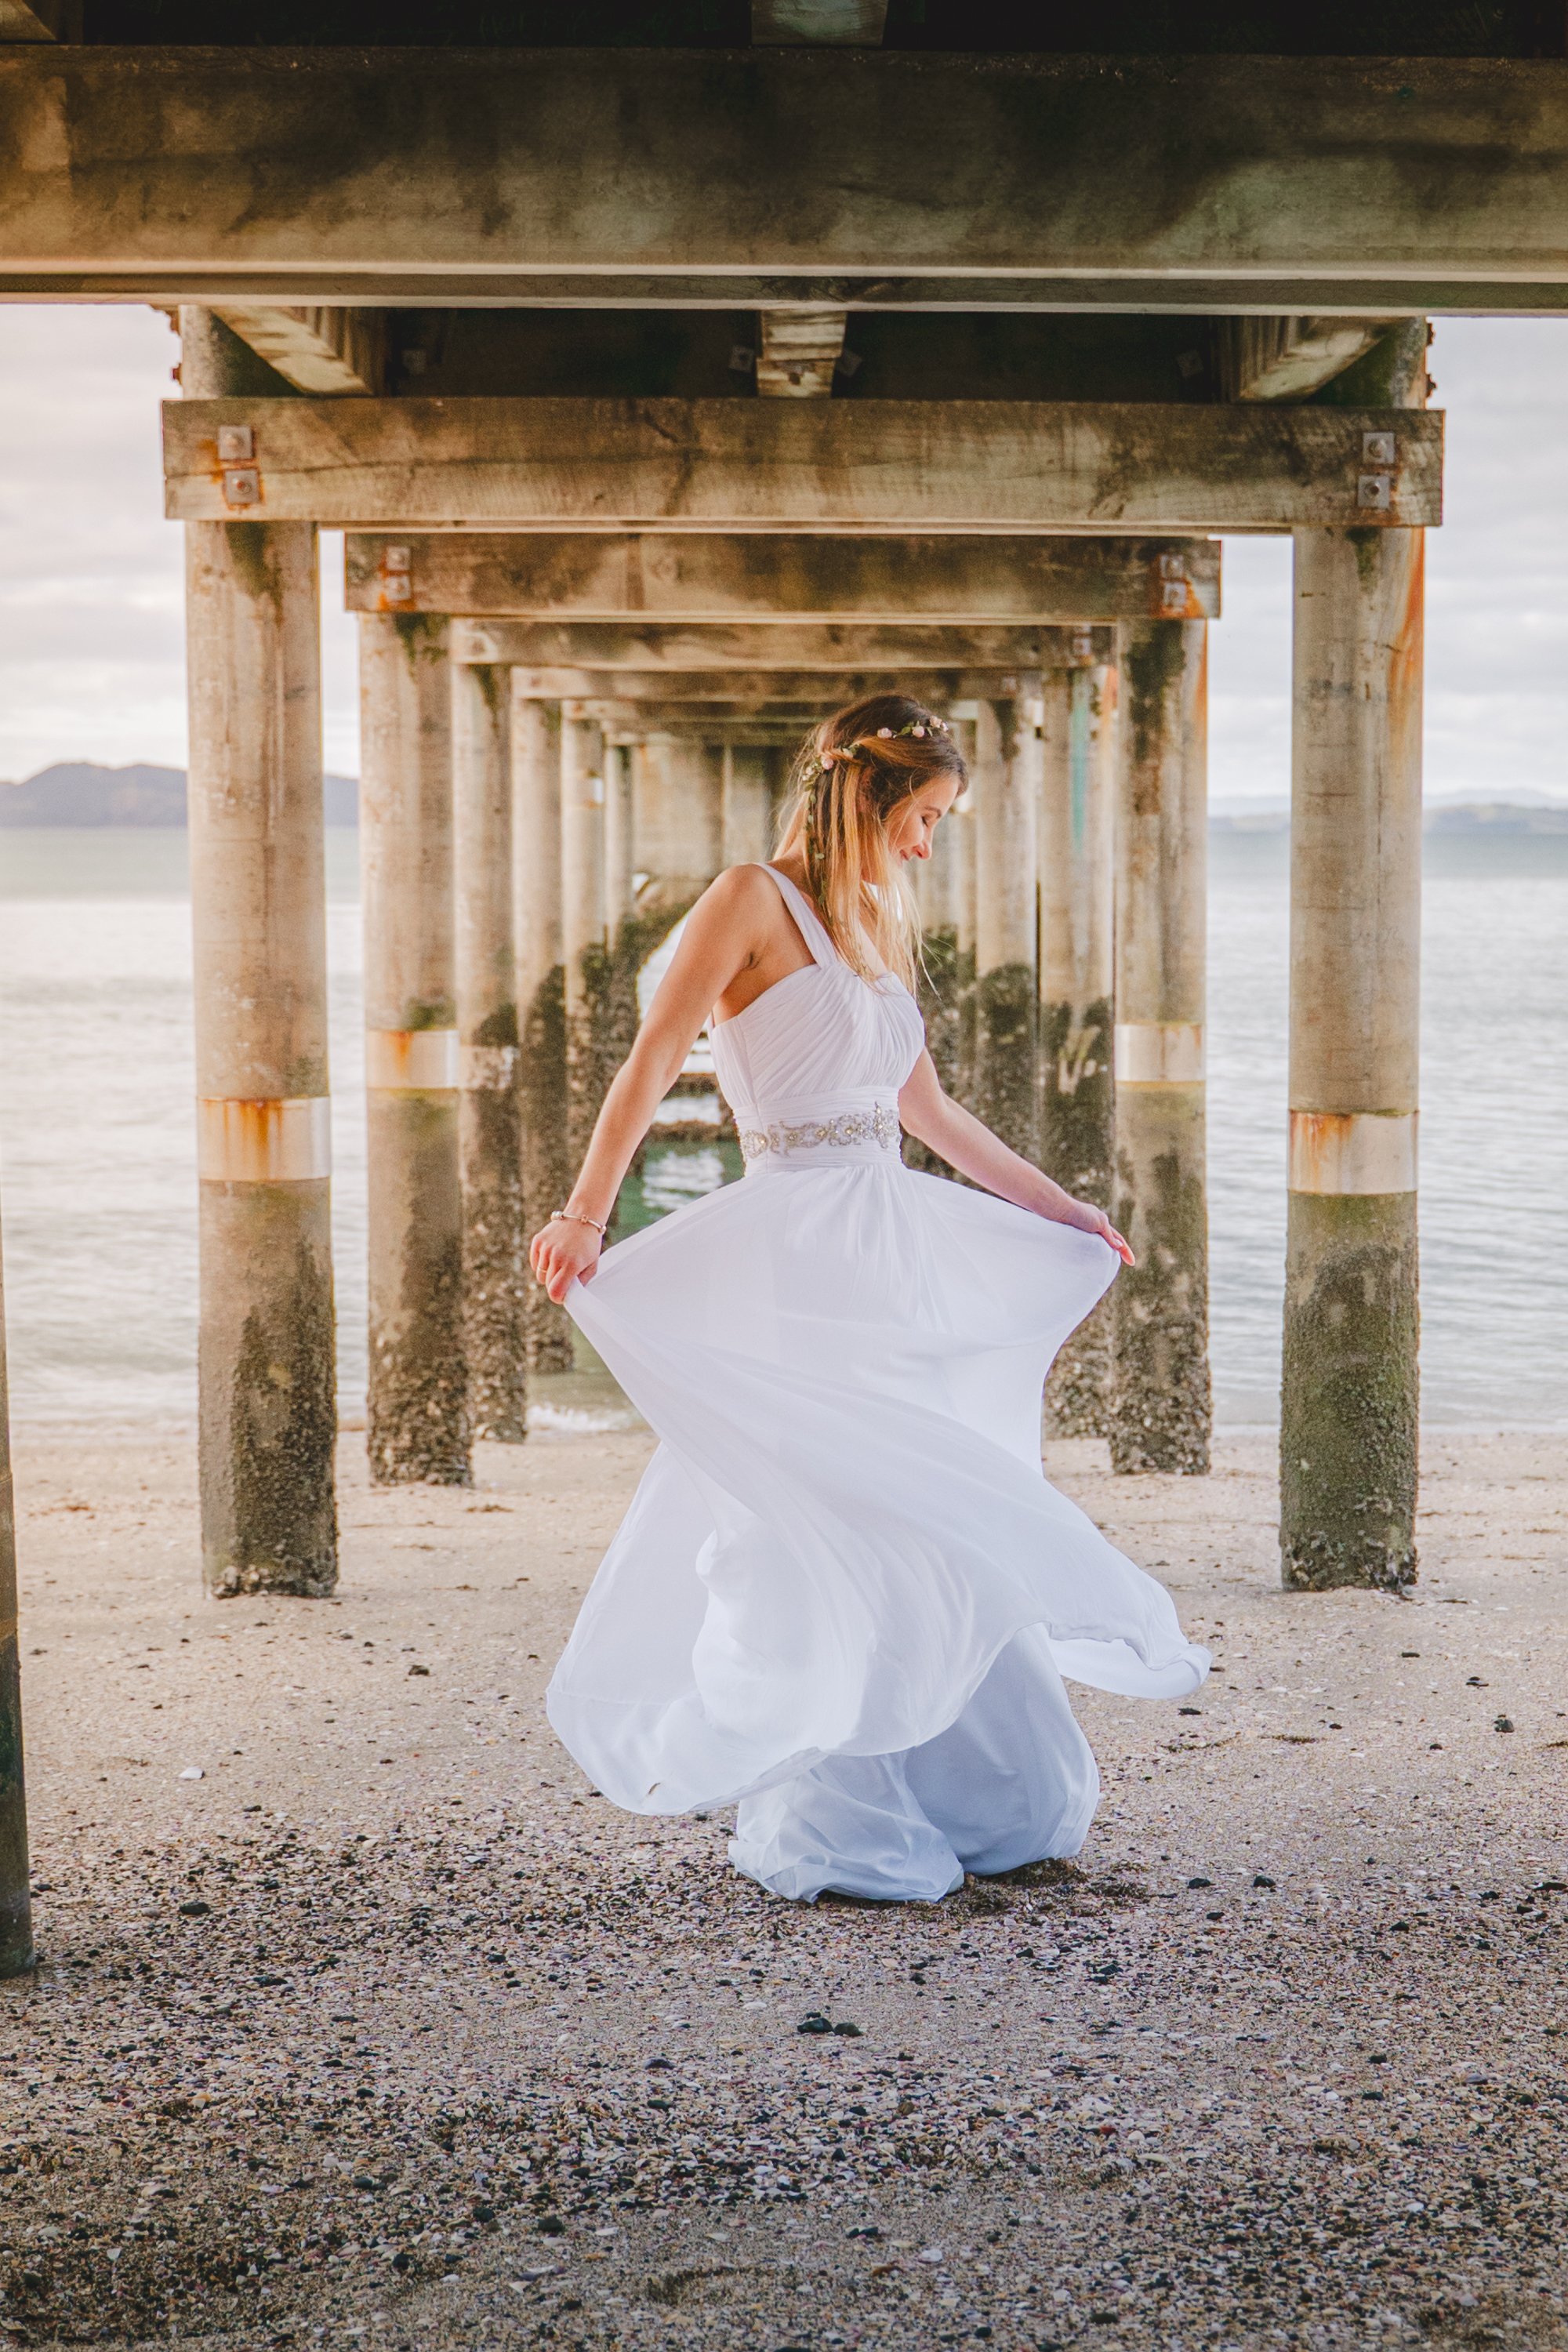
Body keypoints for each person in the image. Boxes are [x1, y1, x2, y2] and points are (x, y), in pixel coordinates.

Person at [532, 694, 1208, 1905]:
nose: (928, 844)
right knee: (826, 1511)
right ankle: (838, 1813)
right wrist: (587, 1213)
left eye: (945, 823)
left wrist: (1061, 1209)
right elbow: (649, 1061)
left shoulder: (876, 924)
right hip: (796, 1245)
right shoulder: (747, 899)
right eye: (925, 817)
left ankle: (980, 1792)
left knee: (930, 1504)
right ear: (869, 796)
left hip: (892, 1242)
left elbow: (928, 1114)